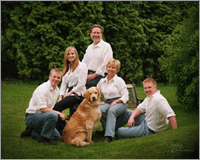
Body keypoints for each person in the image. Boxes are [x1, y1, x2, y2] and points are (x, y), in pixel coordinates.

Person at [21, 68, 65, 146]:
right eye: (54, 76)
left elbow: (49, 108)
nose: (56, 79)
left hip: (43, 118)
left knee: (57, 137)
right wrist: (58, 113)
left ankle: (32, 132)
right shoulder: (43, 89)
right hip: (32, 117)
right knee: (54, 115)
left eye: (58, 77)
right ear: (49, 76)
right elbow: (43, 109)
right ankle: (43, 139)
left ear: (61, 79)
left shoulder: (56, 90)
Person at [53, 46, 88, 135]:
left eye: (72, 53)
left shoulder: (82, 66)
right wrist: (60, 96)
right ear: (66, 56)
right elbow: (64, 84)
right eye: (68, 54)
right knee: (56, 105)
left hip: (78, 94)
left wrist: (70, 93)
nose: (70, 56)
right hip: (69, 93)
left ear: (76, 54)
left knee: (56, 107)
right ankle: (63, 128)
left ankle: (61, 130)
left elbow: (81, 84)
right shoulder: (67, 67)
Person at [96, 59, 129, 142]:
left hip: (120, 103)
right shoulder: (102, 81)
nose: (110, 69)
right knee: (99, 110)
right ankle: (107, 129)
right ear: (107, 68)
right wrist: (99, 102)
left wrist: (116, 101)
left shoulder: (119, 81)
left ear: (117, 70)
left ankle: (108, 136)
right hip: (108, 102)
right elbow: (96, 92)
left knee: (111, 111)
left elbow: (126, 96)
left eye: (113, 67)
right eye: (109, 67)